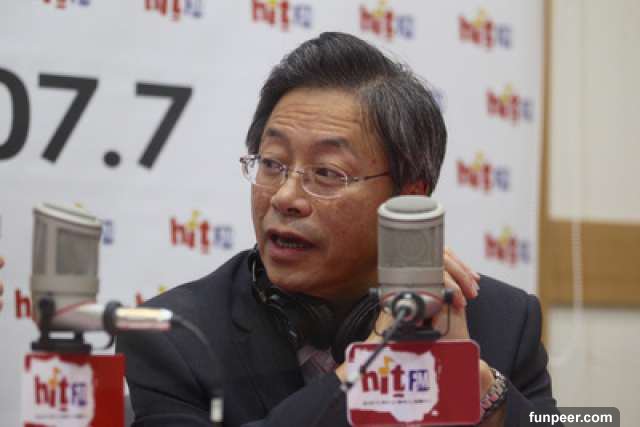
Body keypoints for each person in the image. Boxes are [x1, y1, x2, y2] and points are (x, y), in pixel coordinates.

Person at [118, 32, 558, 426]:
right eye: (272, 163)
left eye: (327, 173)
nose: (285, 197)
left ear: (408, 199)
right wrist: (372, 367)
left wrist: (485, 394)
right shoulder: (175, 337)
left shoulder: (500, 319)